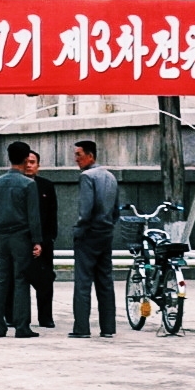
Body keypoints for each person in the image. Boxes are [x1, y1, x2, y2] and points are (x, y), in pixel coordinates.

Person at [0, 141, 43, 338]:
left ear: (9, 157)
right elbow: (33, 216)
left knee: (1, 280)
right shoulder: (29, 184)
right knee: (21, 280)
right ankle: (21, 326)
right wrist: (37, 240)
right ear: (26, 159)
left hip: (2, 236)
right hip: (21, 236)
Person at [70, 139, 119, 339]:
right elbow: (116, 210)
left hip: (89, 233)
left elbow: (85, 210)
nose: (76, 159)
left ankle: (82, 327)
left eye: (79, 155)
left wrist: (79, 229)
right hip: (106, 232)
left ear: (90, 156)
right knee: (105, 281)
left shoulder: (87, 177)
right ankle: (108, 327)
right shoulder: (110, 176)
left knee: (83, 282)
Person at [23, 150, 58, 328]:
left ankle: (45, 317)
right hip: (22, 240)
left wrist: (47, 240)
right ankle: (16, 316)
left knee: (45, 280)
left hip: (44, 241)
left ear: (38, 165)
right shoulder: (17, 185)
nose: (29, 165)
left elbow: (52, 215)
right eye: (26, 161)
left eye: (32, 162)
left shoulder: (46, 186)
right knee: (18, 280)